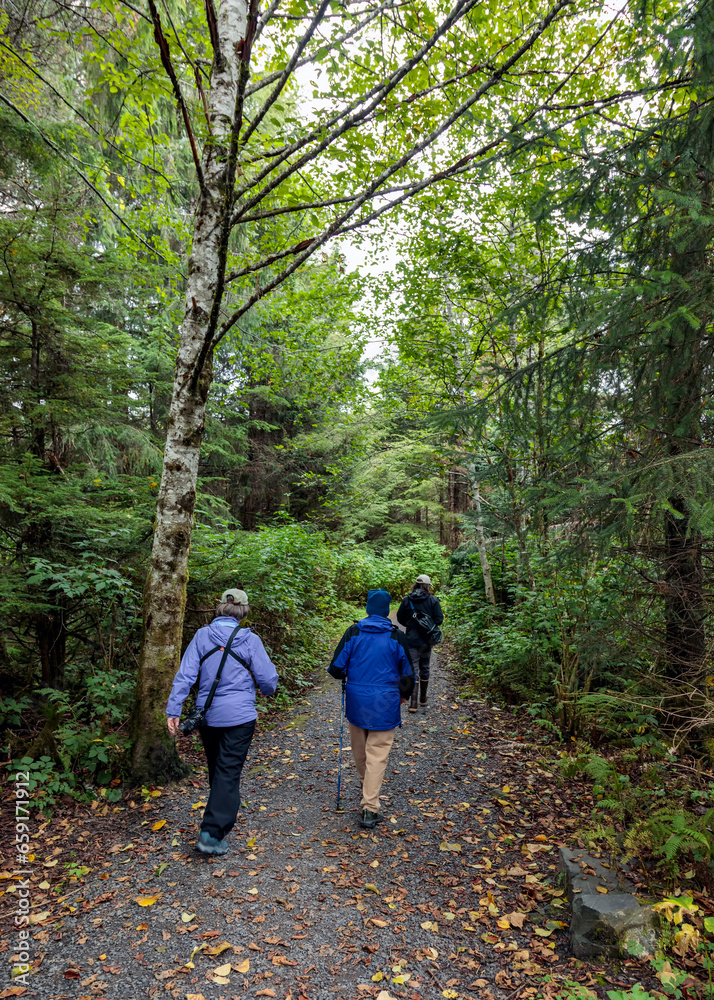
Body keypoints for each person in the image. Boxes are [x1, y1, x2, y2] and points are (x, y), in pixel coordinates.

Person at [166, 588, 278, 856]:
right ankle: (211, 834)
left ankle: (215, 821)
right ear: (244, 612)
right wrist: (266, 689)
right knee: (227, 772)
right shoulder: (250, 640)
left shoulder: (202, 636)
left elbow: (185, 675)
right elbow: (268, 677)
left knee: (218, 769)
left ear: (220, 609)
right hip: (240, 717)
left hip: (208, 715)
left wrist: (174, 708)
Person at [328, 588, 414, 829]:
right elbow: (408, 674)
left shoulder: (353, 632)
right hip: (386, 702)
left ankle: (369, 797)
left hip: (357, 701)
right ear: (387, 611)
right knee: (377, 754)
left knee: (360, 752)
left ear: (367, 608)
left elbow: (335, 669)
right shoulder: (397, 637)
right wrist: (404, 695)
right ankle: (369, 807)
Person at [396, 573, 443, 712]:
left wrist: (411, 625)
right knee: (425, 667)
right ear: (428, 586)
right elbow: (439, 620)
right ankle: (423, 699)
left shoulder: (407, 600)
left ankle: (413, 704)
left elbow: (400, 618)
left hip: (411, 639)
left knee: (414, 668)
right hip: (427, 640)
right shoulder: (433, 601)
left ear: (415, 585)